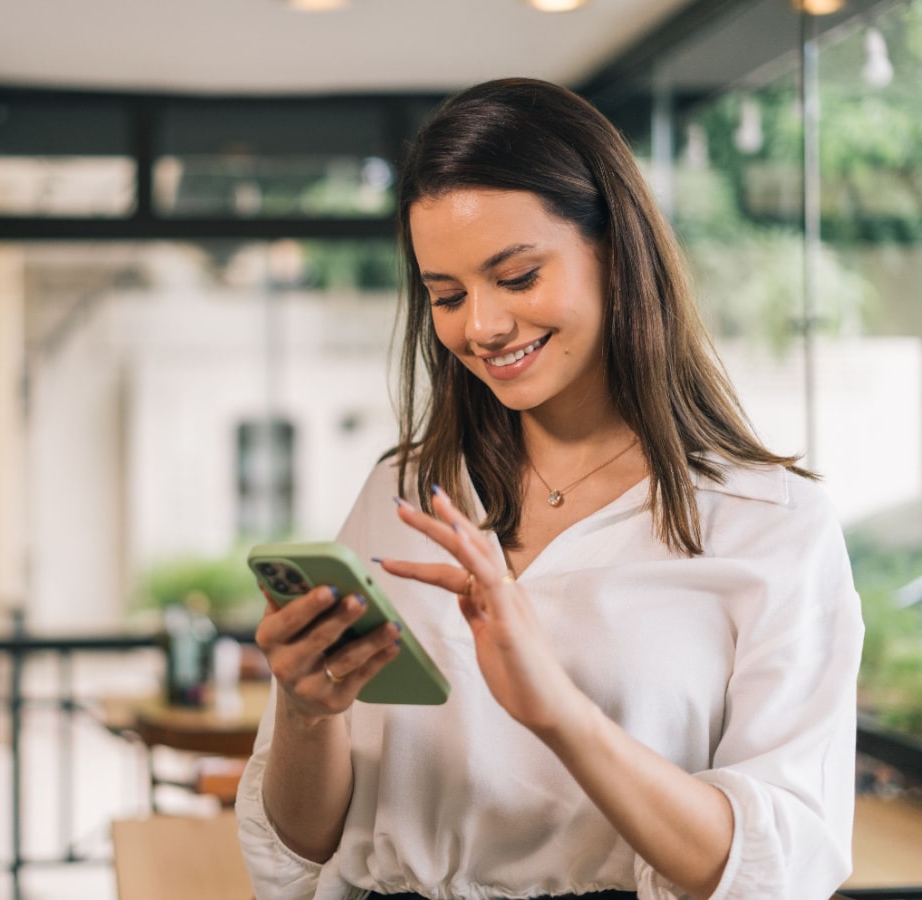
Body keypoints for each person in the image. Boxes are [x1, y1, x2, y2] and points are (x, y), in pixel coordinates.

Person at [235, 77, 864, 900]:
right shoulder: (404, 493)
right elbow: (300, 853)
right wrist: (307, 712)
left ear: (615, 248)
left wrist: (558, 712)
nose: (481, 327)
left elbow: (776, 870)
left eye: (518, 277)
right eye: (448, 296)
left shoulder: (769, 524)